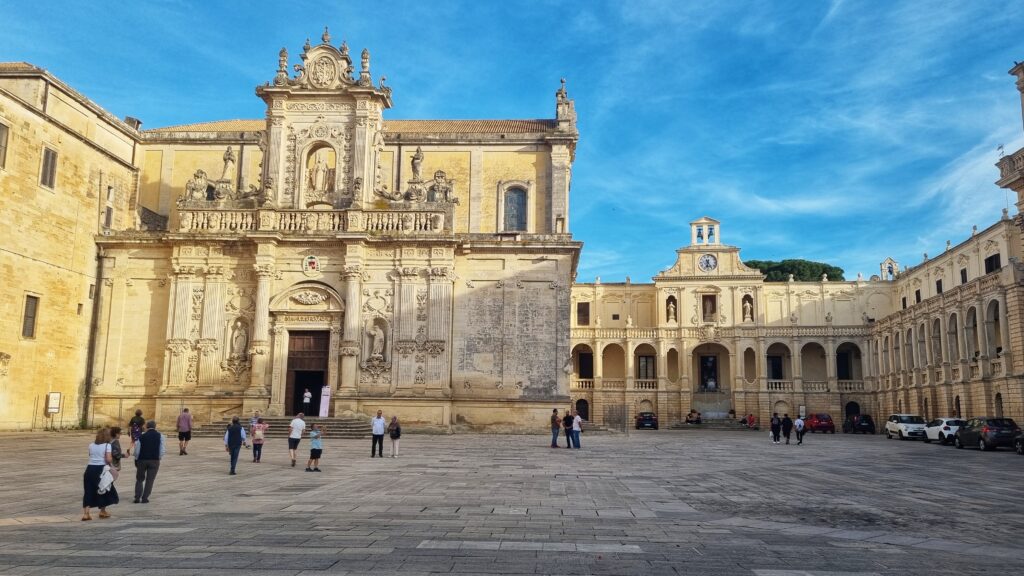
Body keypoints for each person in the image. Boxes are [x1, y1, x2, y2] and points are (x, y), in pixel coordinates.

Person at [83, 427, 118, 521]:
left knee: (88, 490)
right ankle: (102, 511)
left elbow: (91, 455)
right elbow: (108, 459)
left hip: (90, 469)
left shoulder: (91, 445)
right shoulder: (107, 445)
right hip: (101, 469)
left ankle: (86, 513)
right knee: (104, 488)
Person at [133, 420, 165, 504]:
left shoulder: (141, 436)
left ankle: (137, 497)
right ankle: (145, 498)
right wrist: (158, 458)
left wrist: (136, 459)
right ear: (155, 426)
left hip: (142, 460)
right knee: (150, 480)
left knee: (139, 479)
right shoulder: (160, 436)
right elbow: (162, 450)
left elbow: (137, 450)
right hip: (154, 460)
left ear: (147, 426)